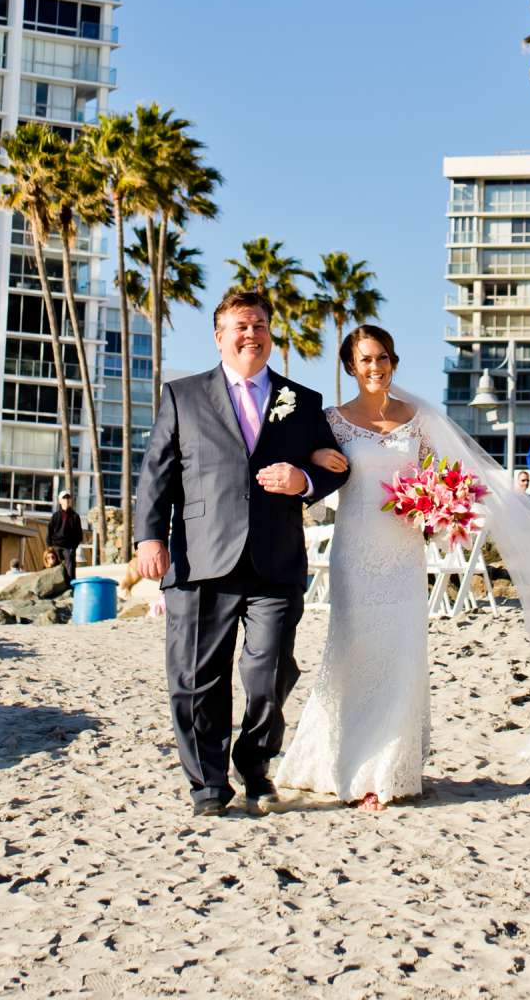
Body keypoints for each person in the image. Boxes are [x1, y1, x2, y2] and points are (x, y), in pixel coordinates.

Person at [278, 323, 530, 812]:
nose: (375, 366)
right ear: (350, 366)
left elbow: (448, 476)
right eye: (364, 359)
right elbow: (311, 472)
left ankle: (384, 772)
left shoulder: (418, 418)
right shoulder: (332, 421)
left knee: (400, 655)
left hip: (404, 554)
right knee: (352, 652)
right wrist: (319, 454)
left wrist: (441, 505)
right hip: (355, 553)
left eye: (382, 357)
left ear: (394, 361)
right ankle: (333, 760)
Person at [130, 288, 349, 818]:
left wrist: (304, 479)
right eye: (240, 325)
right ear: (219, 335)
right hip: (200, 558)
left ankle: (254, 764)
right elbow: (156, 473)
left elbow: (336, 464)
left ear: (270, 333)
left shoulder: (303, 401)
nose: (251, 334)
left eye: (259, 325)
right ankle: (208, 785)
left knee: (269, 671)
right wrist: (149, 538)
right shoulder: (183, 395)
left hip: (275, 559)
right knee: (196, 680)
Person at [45, 494, 84, 585]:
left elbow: (79, 534)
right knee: (53, 564)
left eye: (68, 498)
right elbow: (49, 531)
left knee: (70, 565)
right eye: (64, 498)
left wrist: (73, 547)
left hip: (69, 546)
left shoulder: (75, 516)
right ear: (60, 501)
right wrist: (49, 546)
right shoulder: (55, 516)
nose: (66, 500)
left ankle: (70, 586)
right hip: (56, 545)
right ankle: (52, 585)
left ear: (70, 500)